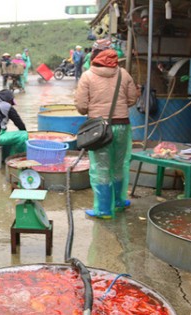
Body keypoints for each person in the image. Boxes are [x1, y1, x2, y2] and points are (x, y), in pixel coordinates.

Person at [74, 39, 139, 219]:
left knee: (101, 168)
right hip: (122, 126)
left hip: (99, 130)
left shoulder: (87, 76)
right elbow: (132, 100)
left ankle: (103, 210)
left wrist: (94, 108)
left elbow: (81, 106)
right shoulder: (124, 74)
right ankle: (118, 202)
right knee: (119, 165)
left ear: (94, 56)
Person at [0, 89, 28, 160]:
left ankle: (4, 159)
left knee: (9, 137)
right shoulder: (8, 107)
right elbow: (19, 124)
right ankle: (19, 158)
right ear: (9, 99)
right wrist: (24, 132)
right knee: (24, 135)